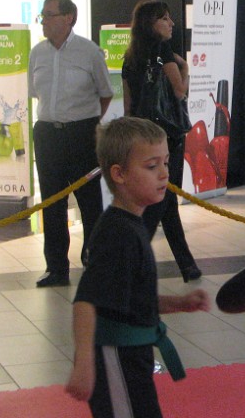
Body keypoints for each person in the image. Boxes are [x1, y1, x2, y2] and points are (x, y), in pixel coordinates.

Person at [65, 117, 209, 417]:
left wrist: (179, 304)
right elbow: (86, 303)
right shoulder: (118, 233)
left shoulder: (132, 225)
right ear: (119, 174)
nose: (164, 173)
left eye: (166, 162)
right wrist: (84, 364)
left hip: (130, 359)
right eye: (152, 166)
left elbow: (129, 298)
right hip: (114, 358)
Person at [28, 0, 113, 288]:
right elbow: (35, 93)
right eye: (42, 15)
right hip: (47, 134)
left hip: (82, 133)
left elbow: (105, 93)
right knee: (52, 202)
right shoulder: (37, 53)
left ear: (69, 18)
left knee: (89, 201)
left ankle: (94, 261)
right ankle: (56, 268)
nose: (44, 21)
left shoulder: (89, 52)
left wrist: (88, 122)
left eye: (49, 15)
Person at [121, 0, 201, 282]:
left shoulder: (130, 57)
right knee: (163, 197)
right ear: (151, 24)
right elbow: (179, 91)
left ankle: (188, 265)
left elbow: (128, 104)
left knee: (166, 198)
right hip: (167, 137)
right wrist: (185, 68)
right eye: (164, 18)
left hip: (142, 135)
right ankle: (131, 257)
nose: (171, 23)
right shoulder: (163, 51)